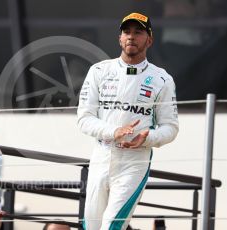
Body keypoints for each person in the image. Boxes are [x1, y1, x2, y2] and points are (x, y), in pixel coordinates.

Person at [77, 12, 179, 230]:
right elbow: (84, 119)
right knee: (90, 227)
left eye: (138, 32)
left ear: (149, 40)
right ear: (120, 39)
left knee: (112, 226)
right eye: (127, 32)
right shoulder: (98, 71)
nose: (131, 37)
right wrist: (115, 131)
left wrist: (146, 138)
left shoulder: (162, 79)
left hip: (135, 161)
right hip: (101, 156)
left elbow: (170, 127)